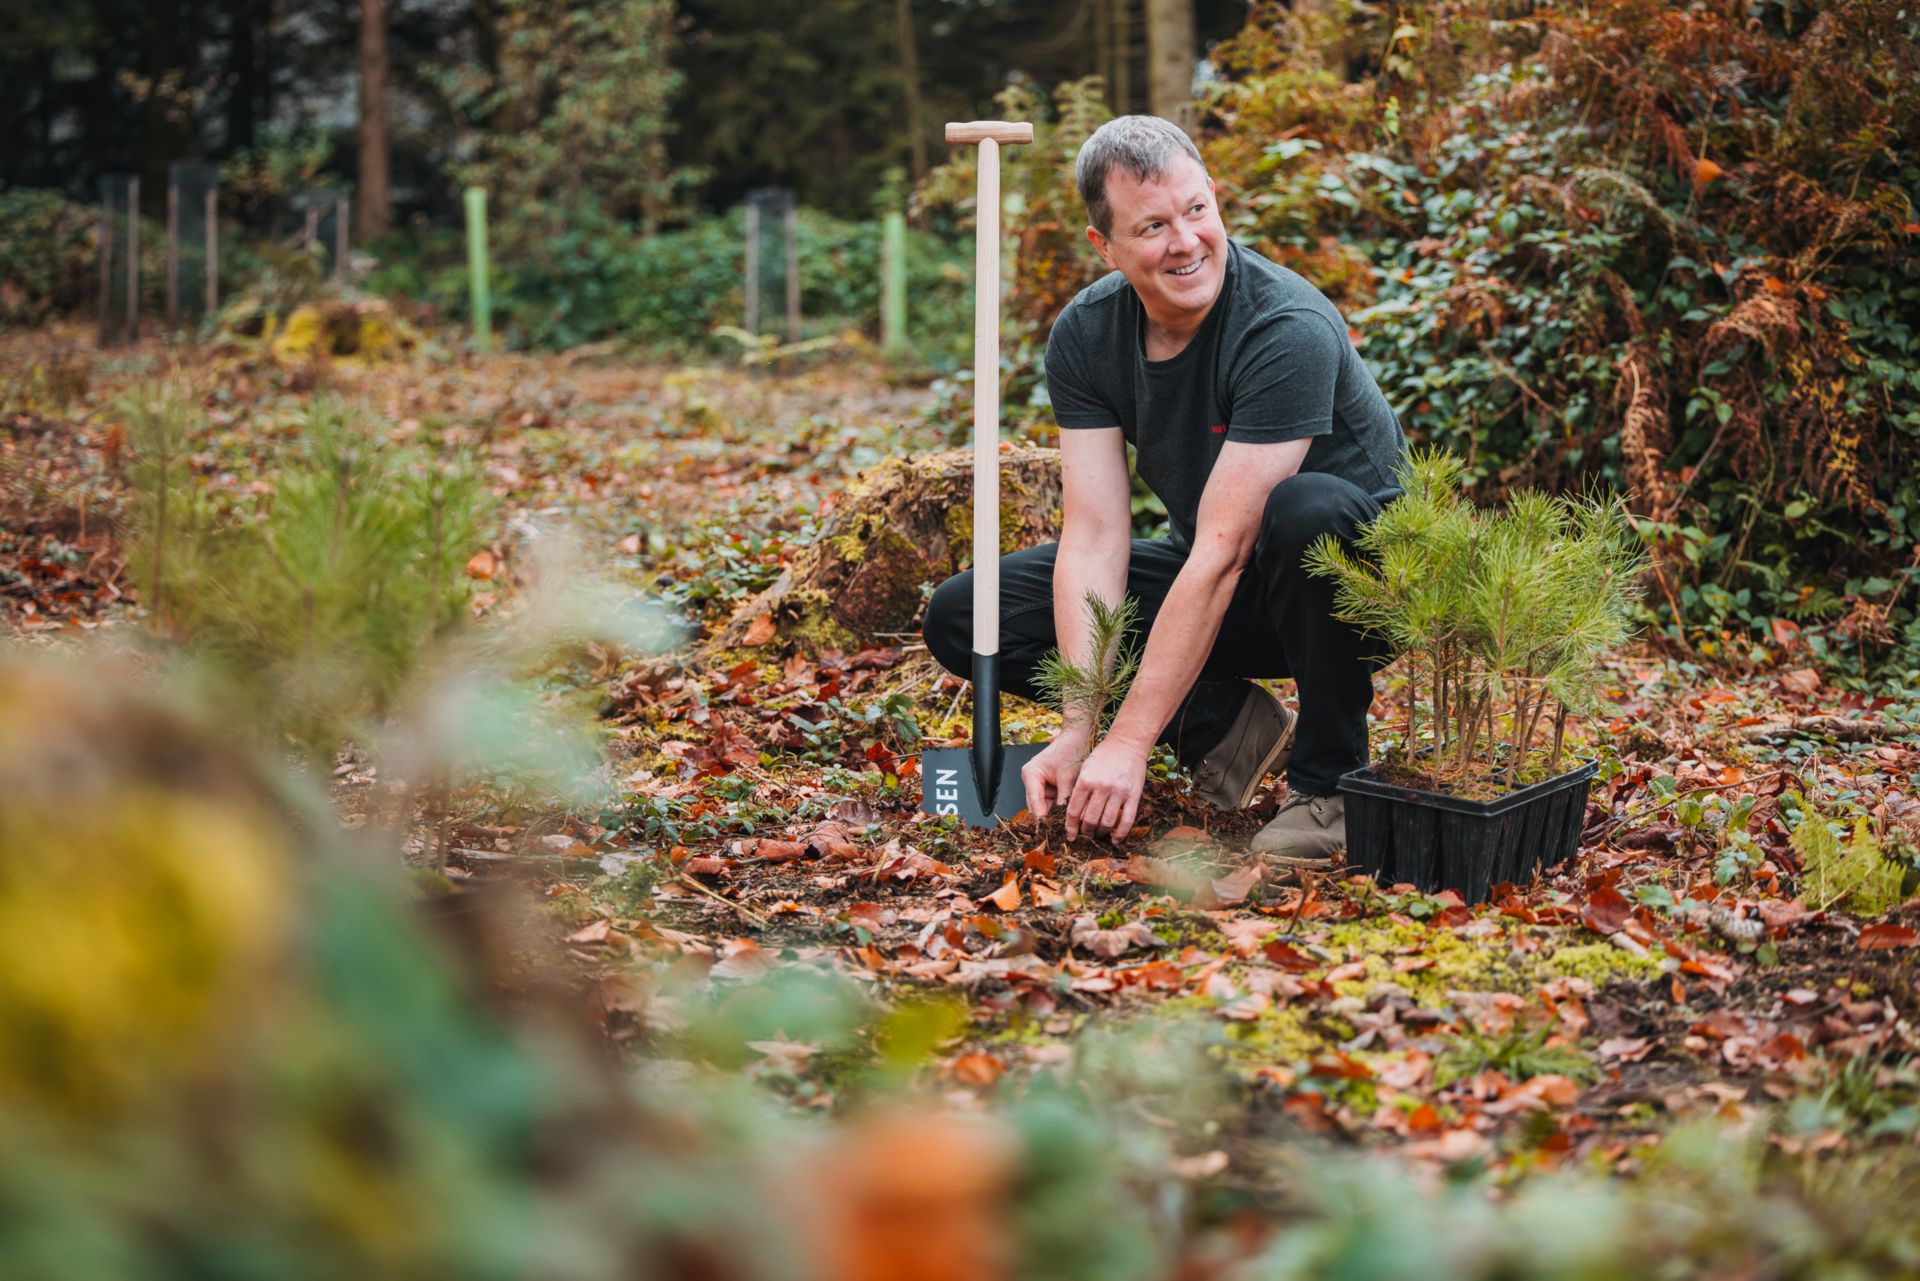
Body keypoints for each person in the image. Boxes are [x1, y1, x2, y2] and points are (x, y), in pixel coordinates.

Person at [922, 114, 1407, 870]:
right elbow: (1095, 539)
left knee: (1305, 510)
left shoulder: (1285, 326)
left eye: (1196, 210)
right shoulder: (1086, 336)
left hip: (1358, 591)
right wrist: (1083, 724)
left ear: (1215, 199)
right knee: (969, 614)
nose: (1185, 242)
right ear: (1105, 247)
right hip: (1227, 582)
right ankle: (1228, 730)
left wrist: (1130, 741)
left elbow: (1223, 549)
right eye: (1152, 226)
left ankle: (1332, 787)